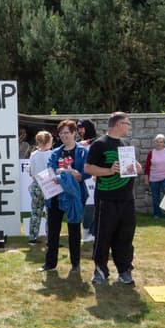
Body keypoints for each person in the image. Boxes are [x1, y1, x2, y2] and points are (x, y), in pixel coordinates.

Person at [84, 112, 141, 285]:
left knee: (125, 236)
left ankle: (124, 270)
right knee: (104, 235)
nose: (128, 127)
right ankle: (100, 270)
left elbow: (135, 167)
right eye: (127, 123)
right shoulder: (99, 144)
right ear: (117, 124)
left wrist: (136, 166)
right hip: (106, 198)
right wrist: (109, 171)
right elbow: (88, 168)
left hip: (127, 199)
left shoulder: (126, 144)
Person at [40, 119, 88, 274]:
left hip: (74, 196)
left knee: (74, 230)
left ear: (74, 133)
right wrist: (63, 173)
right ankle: (50, 264)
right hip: (56, 196)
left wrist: (78, 174)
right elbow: (51, 169)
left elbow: (85, 172)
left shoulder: (82, 152)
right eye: (61, 133)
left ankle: (75, 264)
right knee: (53, 230)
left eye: (66, 132)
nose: (63, 136)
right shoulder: (55, 152)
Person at [26, 130, 53, 242]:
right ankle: (50, 238)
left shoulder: (33, 155)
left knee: (36, 211)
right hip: (49, 184)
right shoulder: (51, 154)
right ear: (48, 142)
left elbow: (31, 172)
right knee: (50, 213)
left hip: (37, 184)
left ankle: (32, 236)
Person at [144, 134, 165, 220]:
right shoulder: (151, 153)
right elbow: (147, 167)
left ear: (164, 143)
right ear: (155, 142)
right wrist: (146, 179)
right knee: (155, 197)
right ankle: (157, 214)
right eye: (157, 141)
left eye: (161, 142)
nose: (159, 143)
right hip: (154, 178)